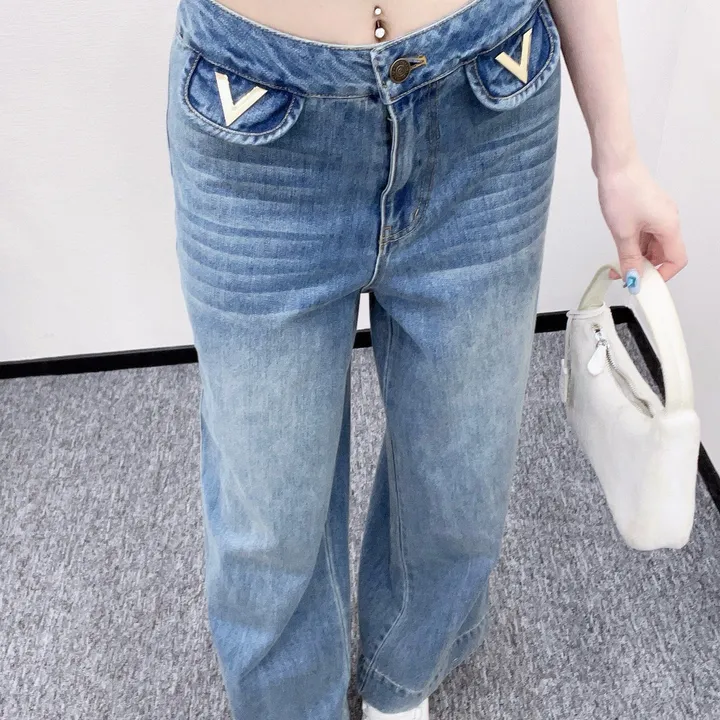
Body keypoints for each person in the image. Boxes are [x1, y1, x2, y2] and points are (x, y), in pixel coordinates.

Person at [164, 0, 688, 718]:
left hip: (487, 99)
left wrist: (619, 157)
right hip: (253, 120)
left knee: (461, 479)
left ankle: (403, 679)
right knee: (268, 511)